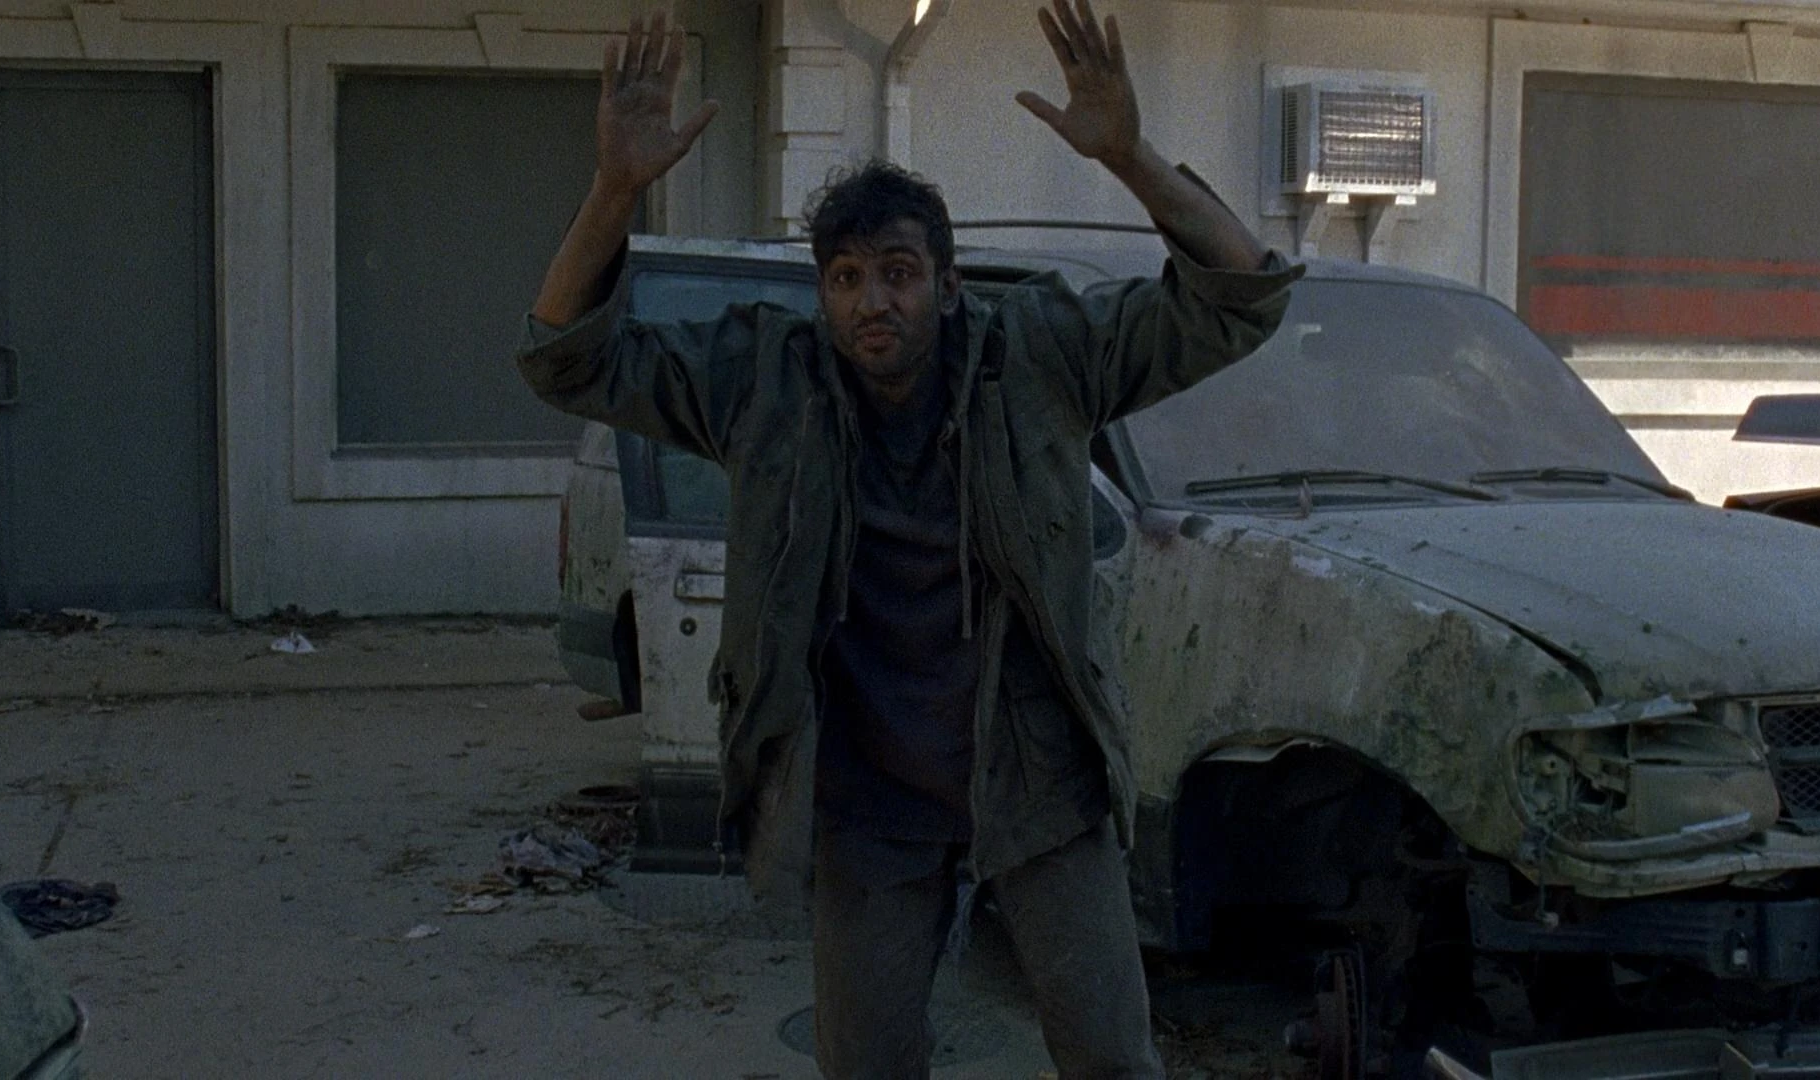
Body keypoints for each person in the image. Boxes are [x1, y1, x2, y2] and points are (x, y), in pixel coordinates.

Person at [517, 2, 1301, 1075]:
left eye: (897, 271)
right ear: (821, 293)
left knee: (1113, 1058)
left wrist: (1130, 157)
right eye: (845, 278)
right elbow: (565, 358)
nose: (871, 301)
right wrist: (615, 188)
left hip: (1037, 778)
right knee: (867, 1060)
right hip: (868, 800)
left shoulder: (1038, 358)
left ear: (948, 282)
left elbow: (1241, 299)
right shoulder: (769, 383)